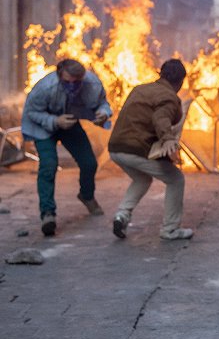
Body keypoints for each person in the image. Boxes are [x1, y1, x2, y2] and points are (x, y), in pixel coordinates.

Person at [22, 59, 111, 236]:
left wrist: (103, 113)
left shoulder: (92, 83)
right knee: (48, 165)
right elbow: (31, 112)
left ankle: (86, 195)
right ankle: (48, 213)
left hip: (70, 123)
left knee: (89, 163)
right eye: (68, 82)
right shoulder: (45, 87)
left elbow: (103, 103)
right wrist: (54, 121)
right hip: (42, 128)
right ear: (60, 75)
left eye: (76, 82)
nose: (72, 85)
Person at [108, 59, 193, 240]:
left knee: (142, 178)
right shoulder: (170, 97)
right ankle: (170, 229)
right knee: (176, 179)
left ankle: (121, 215)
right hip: (135, 150)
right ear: (181, 82)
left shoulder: (140, 89)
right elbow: (160, 117)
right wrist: (169, 139)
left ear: (161, 74)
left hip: (115, 148)